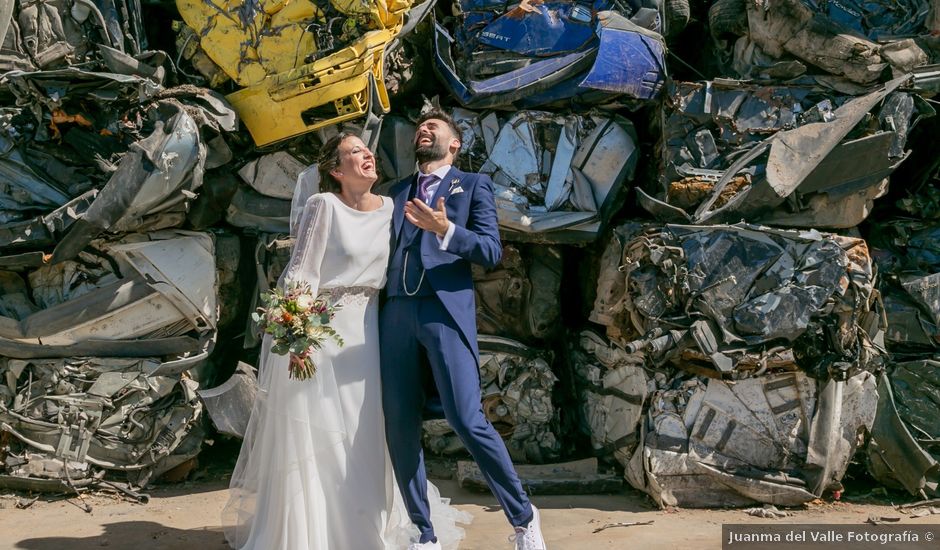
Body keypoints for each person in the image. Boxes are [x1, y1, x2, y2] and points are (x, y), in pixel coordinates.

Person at [223, 132, 468, 550]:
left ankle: (367, 527)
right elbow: (301, 272)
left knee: (366, 431)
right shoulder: (324, 206)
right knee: (320, 437)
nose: (367, 154)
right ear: (337, 170)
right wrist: (297, 333)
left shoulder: (393, 209)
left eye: (366, 148)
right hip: (323, 336)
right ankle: (316, 534)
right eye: (355, 151)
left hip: (371, 336)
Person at [381, 110, 548, 550]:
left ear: (454, 144)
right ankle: (424, 533)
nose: (424, 130)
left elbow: (491, 250)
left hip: (443, 310)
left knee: (466, 418)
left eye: (434, 127)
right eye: (420, 127)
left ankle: (524, 519)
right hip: (395, 312)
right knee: (399, 424)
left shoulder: (472, 186)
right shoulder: (394, 192)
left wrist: (446, 229)